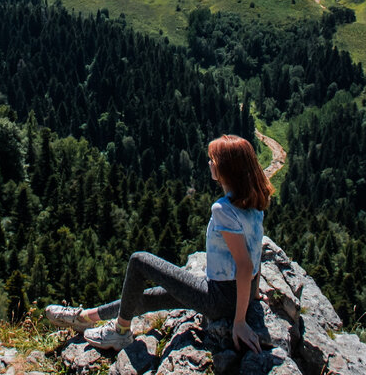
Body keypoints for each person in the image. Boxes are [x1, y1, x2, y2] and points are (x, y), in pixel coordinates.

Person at [45, 134, 274, 352]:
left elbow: (244, 265)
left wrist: (240, 321)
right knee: (146, 297)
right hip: (229, 293)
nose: (209, 163)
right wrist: (253, 293)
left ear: (225, 169)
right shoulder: (253, 203)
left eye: (213, 160)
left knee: (138, 261)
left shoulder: (223, 209)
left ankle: (120, 332)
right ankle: (83, 317)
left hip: (219, 299)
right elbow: (255, 250)